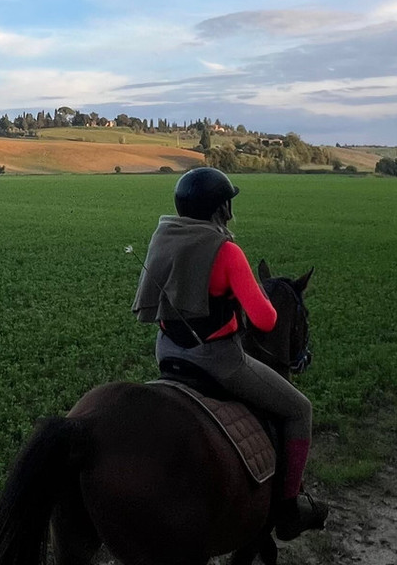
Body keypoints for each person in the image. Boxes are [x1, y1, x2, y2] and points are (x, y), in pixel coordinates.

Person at [131, 167, 329, 541]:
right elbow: (266, 320)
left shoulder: (165, 237)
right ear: (222, 208)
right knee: (300, 409)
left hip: (168, 352)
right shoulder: (226, 250)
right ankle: (288, 508)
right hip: (217, 361)